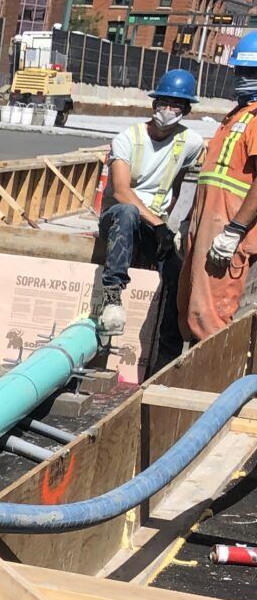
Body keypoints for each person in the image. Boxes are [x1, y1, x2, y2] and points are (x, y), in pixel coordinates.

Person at [95, 69, 203, 373]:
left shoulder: (190, 143)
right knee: (128, 213)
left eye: (176, 106)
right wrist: (157, 224)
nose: (168, 110)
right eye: (164, 102)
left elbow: (181, 181)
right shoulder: (129, 138)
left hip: (153, 223)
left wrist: (173, 226)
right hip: (117, 219)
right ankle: (112, 296)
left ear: (186, 111)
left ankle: (164, 358)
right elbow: (120, 190)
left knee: (175, 270)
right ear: (154, 103)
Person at [178, 28, 257, 343]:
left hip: (229, 231)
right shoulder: (236, 116)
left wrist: (235, 230)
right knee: (192, 306)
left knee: (214, 313)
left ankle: (215, 387)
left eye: (250, 73)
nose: (242, 78)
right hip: (210, 227)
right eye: (240, 70)